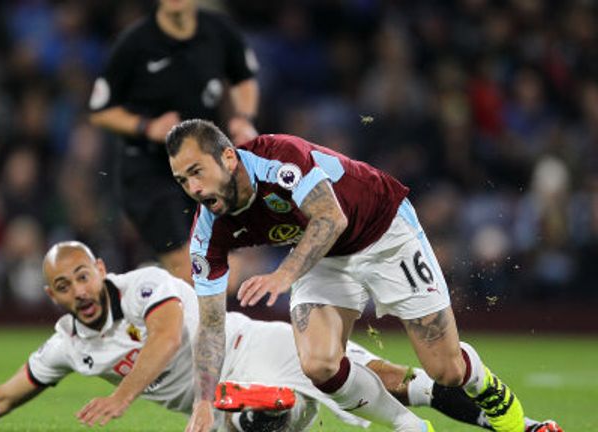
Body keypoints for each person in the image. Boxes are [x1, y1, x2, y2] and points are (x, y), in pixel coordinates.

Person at [0, 241, 561, 432]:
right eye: (64, 286)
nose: (79, 289)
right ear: (52, 296)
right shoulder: (64, 346)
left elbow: (165, 341)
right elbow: (3, 399)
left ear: (99, 267)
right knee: (258, 419)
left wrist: (125, 395)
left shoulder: (142, 288)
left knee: (392, 381)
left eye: (83, 274)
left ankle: (518, 429)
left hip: (246, 347)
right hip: (217, 400)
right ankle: (270, 411)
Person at [166, 119, 563, 432]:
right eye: (183, 180)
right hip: (322, 255)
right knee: (319, 363)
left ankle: (493, 396)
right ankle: (409, 425)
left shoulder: (279, 158)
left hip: (383, 232)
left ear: (229, 158)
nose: (194, 188)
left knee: (448, 370)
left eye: (197, 171)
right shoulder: (206, 232)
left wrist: (283, 274)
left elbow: (331, 217)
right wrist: (203, 403)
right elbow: (213, 325)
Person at [89, 0, 259, 284]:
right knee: (186, 265)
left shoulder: (219, 30)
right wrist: (146, 126)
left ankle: (157, 290)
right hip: (150, 170)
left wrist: (243, 118)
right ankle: (165, 293)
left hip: (207, 165)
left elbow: (245, 77)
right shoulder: (134, 43)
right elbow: (100, 110)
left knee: (230, 271)